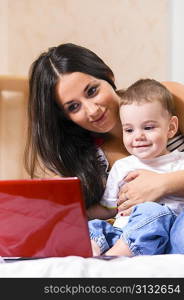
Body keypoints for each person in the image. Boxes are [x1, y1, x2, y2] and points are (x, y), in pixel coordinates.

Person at [25, 43, 184, 250]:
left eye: (92, 91)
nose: (92, 110)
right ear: (65, 117)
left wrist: (165, 183)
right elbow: (100, 212)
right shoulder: (88, 159)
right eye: (74, 107)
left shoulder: (163, 99)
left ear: (108, 75)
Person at [89, 78, 184, 256]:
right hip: (122, 229)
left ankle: (114, 257)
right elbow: (108, 209)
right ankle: (92, 252)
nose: (138, 136)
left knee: (152, 211)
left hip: (161, 232)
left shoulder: (179, 162)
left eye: (148, 127)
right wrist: (75, 211)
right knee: (94, 227)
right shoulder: (122, 166)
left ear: (171, 128)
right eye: (129, 130)